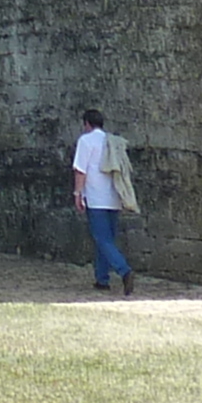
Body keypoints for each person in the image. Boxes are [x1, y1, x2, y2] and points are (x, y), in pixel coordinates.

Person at [70, 105, 134, 295]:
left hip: (96, 197)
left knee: (101, 238)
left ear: (87, 124)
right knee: (106, 240)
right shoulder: (111, 141)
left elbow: (80, 169)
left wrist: (78, 193)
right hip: (114, 196)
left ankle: (124, 270)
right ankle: (101, 278)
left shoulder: (86, 141)